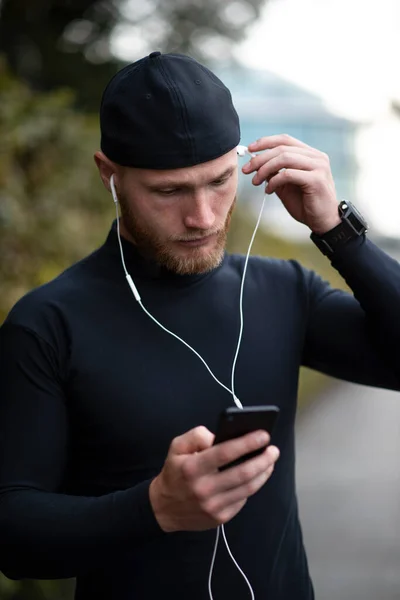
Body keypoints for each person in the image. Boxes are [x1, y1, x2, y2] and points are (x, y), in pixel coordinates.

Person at [0, 51, 399, 600]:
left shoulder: (283, 289)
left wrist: (339, 231)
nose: (203, 217)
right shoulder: (48, 323)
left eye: (217, 182)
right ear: (108, 175)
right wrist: (154, 508)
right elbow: (13, 533)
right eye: (169, 192)